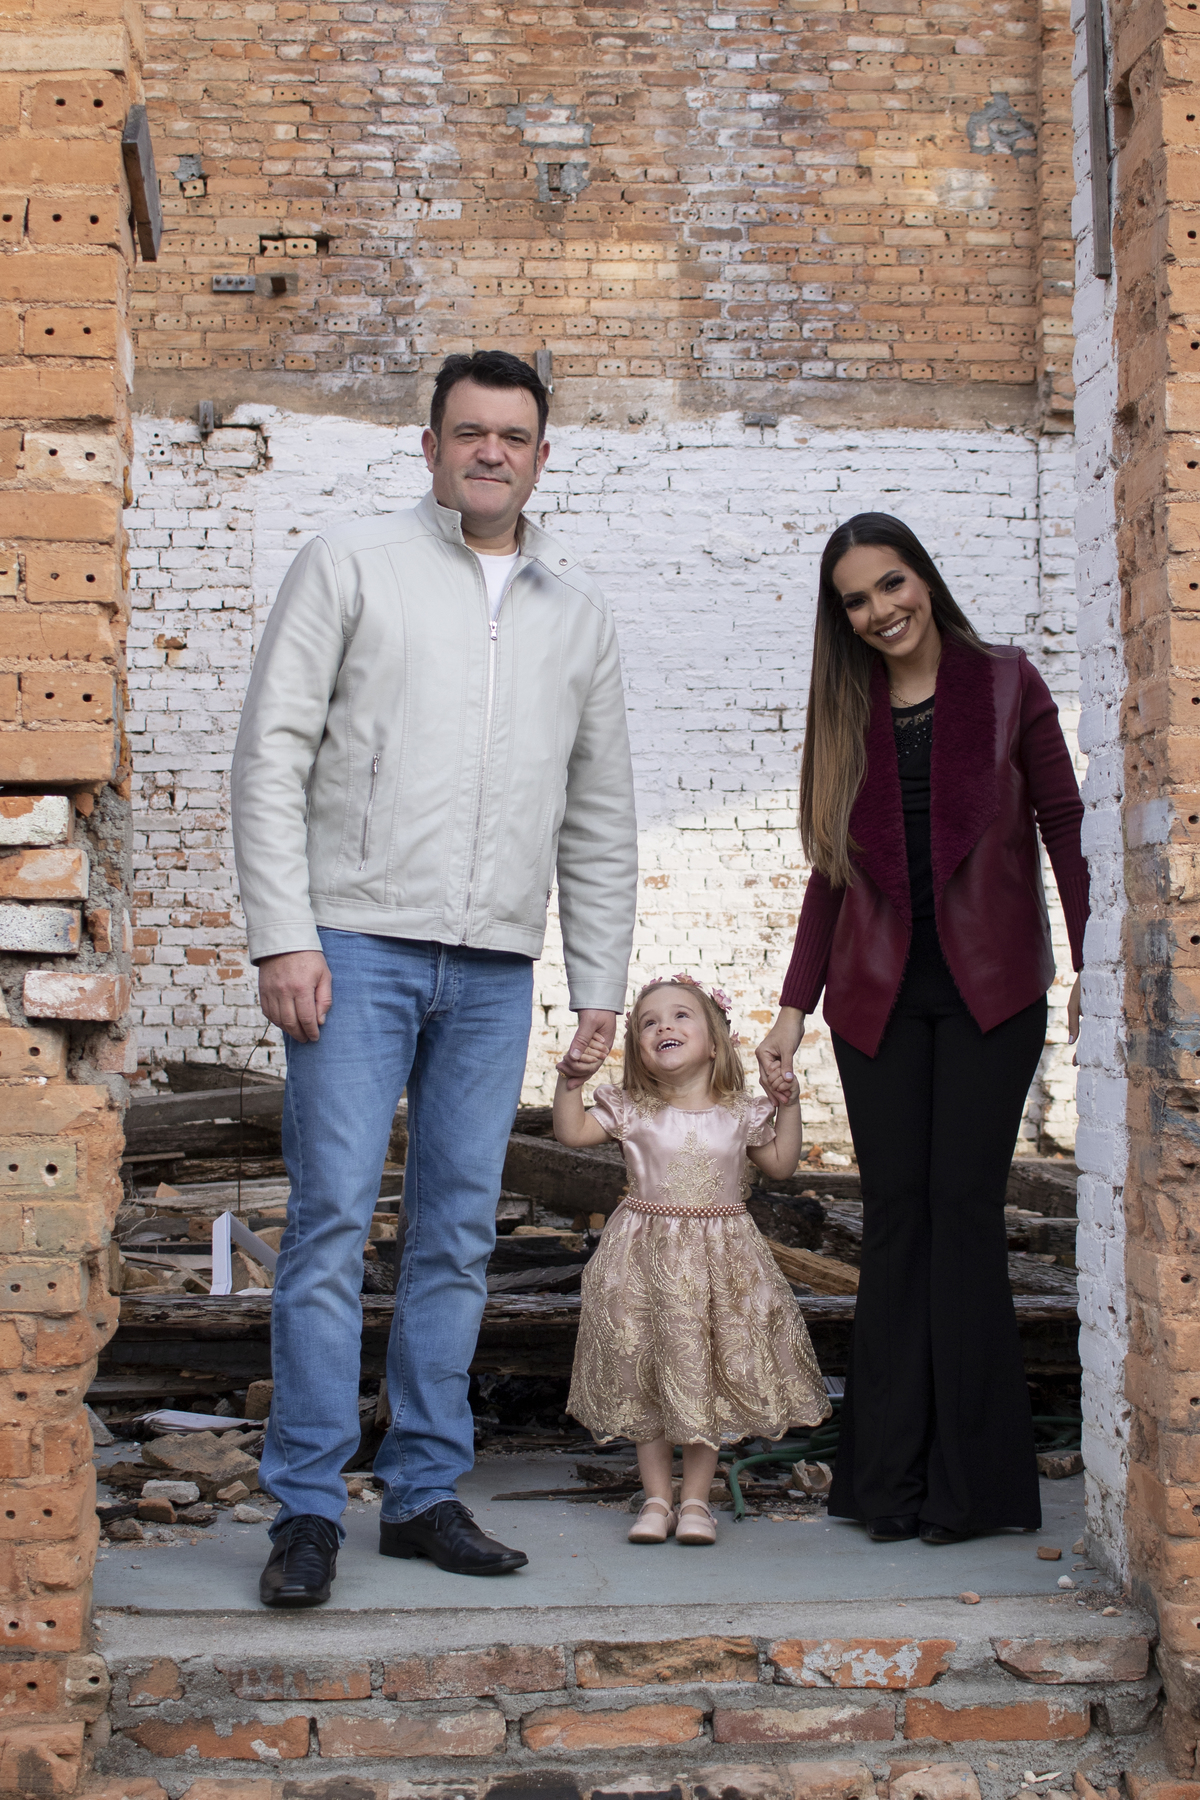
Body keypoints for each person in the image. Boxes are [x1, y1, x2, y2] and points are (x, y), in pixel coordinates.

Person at [231, 349, 638, 1607]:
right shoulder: (351, 564)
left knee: (457, 1234)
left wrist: (600, 981)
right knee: (331, 1225)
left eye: (512, 436)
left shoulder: (576, 614)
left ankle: (419, 1493)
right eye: (469, 432)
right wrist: (283, 934)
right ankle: (307, 1506)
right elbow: (272, 751)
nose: (490, 452)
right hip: (353, 946)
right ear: (431, 446)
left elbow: (599, 810)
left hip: (495, 965)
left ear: (541, 457)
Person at [755, 513, 1088, 1547]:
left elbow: (1065, 826)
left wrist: (1097, 964)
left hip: (994, 992)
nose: (880, 611)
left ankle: (972, 1490)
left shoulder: (1008, 683)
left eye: (891, 584)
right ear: (843, 619)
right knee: (897, 1221)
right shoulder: (844, 710)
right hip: (877, 1002)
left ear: (925, 580)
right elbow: (829, 872)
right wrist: (791, 1008)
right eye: (856, 600)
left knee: (963, 1214)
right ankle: (887, 1485)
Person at [556, 975, 830, 1546]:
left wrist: (789, 1104)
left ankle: (698, 1500)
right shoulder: (632, 1108)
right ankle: (657, 1499)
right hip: (642, 1261)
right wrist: (570, 1082)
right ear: (638, 1048)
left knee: (702, 1375)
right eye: (649, 1022)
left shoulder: (740, 1112)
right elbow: (572, 1132)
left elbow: (782, 1164)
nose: (664, 1026)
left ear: (714, 1042)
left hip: (719, 1264)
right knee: (650, 1375)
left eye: (681, 1015)